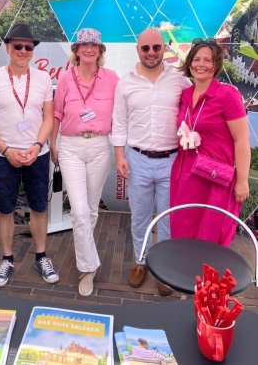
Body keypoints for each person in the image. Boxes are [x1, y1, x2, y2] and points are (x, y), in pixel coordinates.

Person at [0, 23, 59, 287]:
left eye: (28, 47)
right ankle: (7, 259)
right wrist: (6, 149)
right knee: (5, 208)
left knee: (39, 206)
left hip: (37, 152)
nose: (23, 51)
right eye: (18, 46)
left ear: (33, 50)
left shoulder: (44, 78)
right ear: (8, 48)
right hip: (4, 156)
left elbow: (48, 117)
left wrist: (37, 145)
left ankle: (41, 256)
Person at [111, 28, 190, 296]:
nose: (151, 53)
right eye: (146, 48)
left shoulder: (180, 80)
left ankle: (164, 268)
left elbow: (197, 107)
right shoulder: (126, 82)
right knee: (140, 217)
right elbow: (119, 122)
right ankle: (141, 261)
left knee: (168, 219)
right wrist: (119, 155)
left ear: (164, 48)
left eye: (156, 47)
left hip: (172, 161)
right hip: (138, 160)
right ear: (138, 50)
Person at [50, 28, 119, 297]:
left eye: (94, 45)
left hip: (101, 146)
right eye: (83, 45)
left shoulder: (112, 79)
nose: (89, 49)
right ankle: (88, 268)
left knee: (90, 209)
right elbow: (56, 113)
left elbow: (122, 113)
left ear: (100, 50)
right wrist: (52, 144)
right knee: (79, 211)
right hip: (71, 147)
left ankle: (83, 252)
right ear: (76, 50)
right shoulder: (66, 78)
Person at [170, 38, 250, 245]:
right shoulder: (185, 95)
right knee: (183, 228)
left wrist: (242, 181)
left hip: (215, 179)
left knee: (211, 234)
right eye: (196, 59)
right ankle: (184, 275)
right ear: (189, 63)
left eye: (208, 60)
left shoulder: (228, 95)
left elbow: (241, 140)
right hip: (185, 174)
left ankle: (205, 277)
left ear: (216, 65)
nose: (201, 64)